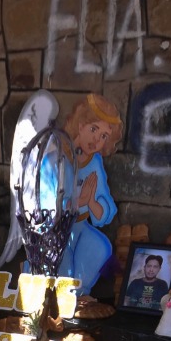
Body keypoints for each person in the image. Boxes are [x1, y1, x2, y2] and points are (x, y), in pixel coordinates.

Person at [58, 95, 122, 290]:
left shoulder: (94, 162)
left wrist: (92, 201)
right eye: (94, 129)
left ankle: (79, 298)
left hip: (81, 226)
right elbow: (45, 202)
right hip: (57, 232)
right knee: (63, 273)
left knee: (100, 247)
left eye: (103, 136)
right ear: (79, 125)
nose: (97, 140)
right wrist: (78, 201)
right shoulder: (57, 156)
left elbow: (104, 207)